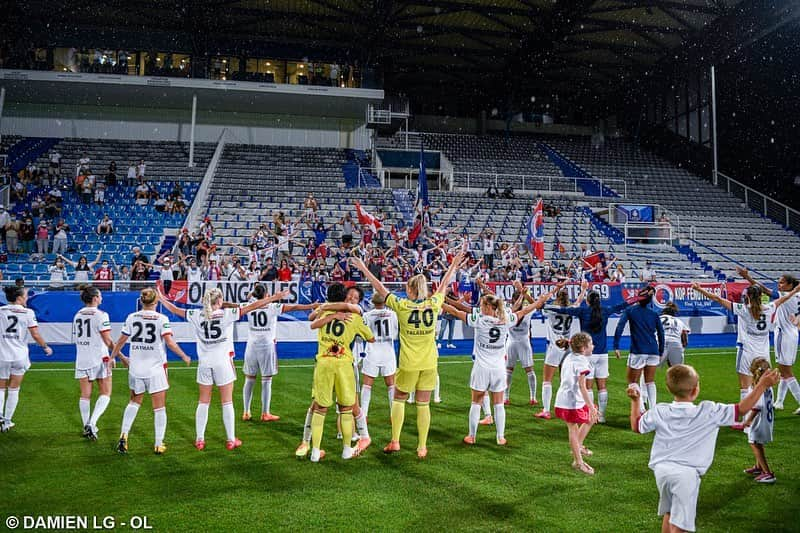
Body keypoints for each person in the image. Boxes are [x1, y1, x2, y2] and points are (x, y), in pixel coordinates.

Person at [627, 364, 780, 533]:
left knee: (670, 513)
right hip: (686, 475)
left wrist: (635, 401)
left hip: (662, 472)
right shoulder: (709, 411)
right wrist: (762, 385)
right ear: (695, 390)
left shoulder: (660, 410)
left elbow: (636, 426)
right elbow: (742, 409)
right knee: (681, 527)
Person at [350, 247, 465, 459]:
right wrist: (454, 264)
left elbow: (380, 288)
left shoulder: (402, 306)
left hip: (409, 363)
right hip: (429, 362)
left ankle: (395, 441)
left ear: (411, 291)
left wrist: (364, 268)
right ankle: (422, 446)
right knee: (423, 404)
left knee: (399, 399)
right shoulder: (434, 304)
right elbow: (443, 286)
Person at [157, 287, 285, 451]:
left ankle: (200, 439)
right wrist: (275, 297)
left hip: (204, 363)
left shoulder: (197, 315)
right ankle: (231, 439)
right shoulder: (227, 314)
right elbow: (254, 306)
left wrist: (161, 298)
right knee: (227, 402)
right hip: (222, 362)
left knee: (203, 402)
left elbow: (175, 309)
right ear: (219, 301)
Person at [110, 288, 191, 454]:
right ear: (156, 301)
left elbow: (121, 341)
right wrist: (184, 355)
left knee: (134, 402)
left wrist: (113, 357)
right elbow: (170, 343)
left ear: (141, 301)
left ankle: (124, 435)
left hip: (136, 368)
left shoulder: (132, 317)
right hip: (155, 368)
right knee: (159, 407)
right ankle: (158, 443)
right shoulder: (162, 319)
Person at [691, 282, 799, 403]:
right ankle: (767, 411)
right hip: (764, 352)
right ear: (760, 297)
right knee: (764, 383)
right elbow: (784, 298)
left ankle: (747, 415)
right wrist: (795, 291)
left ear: (747, 297)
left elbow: (717, 298)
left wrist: (700, 289)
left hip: (747, 351)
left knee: (745, 386)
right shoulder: (770, 308)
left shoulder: (743, 309)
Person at [306, 283, 375, 462]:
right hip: (344, 365)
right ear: (344, 297)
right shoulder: (354, 317)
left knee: (320, 408)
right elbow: (371, 338)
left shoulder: (324, 312)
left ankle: (315, 451)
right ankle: (346, 449)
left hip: (323, 364)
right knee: (346, 408)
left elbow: (312, 322)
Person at [544, 290, 630, 423]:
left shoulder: (583, 311)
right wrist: (640, 297)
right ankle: (601, 416)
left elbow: (563, 310)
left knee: (588, 387)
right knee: (602, 387)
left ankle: (591, 414)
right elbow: (623, 305)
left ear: (588, 301)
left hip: (587, 355)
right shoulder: (606, 310)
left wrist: (543, 305)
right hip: (602, 354)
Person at [241, 284, 316, 422]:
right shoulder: (272, 307)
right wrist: (311, 305)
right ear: (266, 295)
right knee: (266, 380)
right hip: (267, 345)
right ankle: (265, 413)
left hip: (251, 345)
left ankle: (246, 411)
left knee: (249, 379)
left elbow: (232, 305)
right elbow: (295, 307)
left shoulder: (248, 305)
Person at [737, 268, 800, 412]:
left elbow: (764, 290)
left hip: (783, 334)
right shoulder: (798, 295)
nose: (779, 285)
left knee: (786, 372)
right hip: (793, 333)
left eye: (782, 283)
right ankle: (779, 402)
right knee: (784, 370)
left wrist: (748, 277)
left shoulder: (787, 295)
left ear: (790, 285)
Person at [0, 286, 52, 432]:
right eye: (25, 295)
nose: (27, 298)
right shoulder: (28, 312)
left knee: (0, 388)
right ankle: (7, 422)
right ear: (19, 298)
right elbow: (35, 334)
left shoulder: (1, 311)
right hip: (19, 355)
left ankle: (0, 416)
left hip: (2, 355)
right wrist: (46, 347)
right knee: (14, 389)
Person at [504, 282, 564, 407]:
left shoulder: (508, 311)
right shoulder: (526, 311)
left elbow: (539, 303)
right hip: (522, 342)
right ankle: (531, 397)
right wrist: (554, 290)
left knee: (511, 370)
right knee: (525, 370)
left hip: (512, 342)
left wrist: (554, 290)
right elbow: (539, 303)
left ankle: (509, 397)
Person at [536, 281, 588, 420]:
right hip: (568, 347)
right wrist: (583, 289)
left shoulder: (552, 308)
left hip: (555, 346)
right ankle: (570, 406)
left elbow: (539, 303)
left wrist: (554, 289)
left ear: (557, 297)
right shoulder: (571, 308)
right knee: (567, 379)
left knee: (547, 380)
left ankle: (546, 410)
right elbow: (578, 301)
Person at [72, 286, 115, 440]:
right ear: (95, 298)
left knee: (85, 395)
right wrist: (118, 356)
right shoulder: (102, 315)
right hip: (98, 357)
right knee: (106, 392)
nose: (102, 298)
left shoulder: (78, 314)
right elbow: (108, 340)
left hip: (82, 357)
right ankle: (92, 422)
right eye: (100, 295)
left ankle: (86, 426)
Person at [554, 332, 599, 475]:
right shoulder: (581, 361)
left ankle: (578, 447)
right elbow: (582, 386)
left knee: (591, 418)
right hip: (570, 401)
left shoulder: (570, 356)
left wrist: (591, 407)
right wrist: (591, 406)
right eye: (591, 344)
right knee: (573, 429)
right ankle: (578, 462)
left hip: (570, 398)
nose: (593, 346)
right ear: (584, 348)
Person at [614, 287, 665, 411]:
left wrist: (616, 345)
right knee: (650, 381)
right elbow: (661, 333)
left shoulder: (630, 310)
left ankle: (641, 408)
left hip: (638, 350)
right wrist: (661, 351)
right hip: (653, 350)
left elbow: (620, 326)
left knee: (632, 380)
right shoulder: (654, 313)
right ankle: (653, 409)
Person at [360, 292, 399, 419]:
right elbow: (395, 333)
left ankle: (364, 414)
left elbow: (363, 334)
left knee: (367, 385)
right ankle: (394, 414)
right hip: (388, 352)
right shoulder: (393, 315)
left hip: (372, 352)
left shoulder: (367, 315)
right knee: (391, 384)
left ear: (372, 302)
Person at [742, 358, 776, 483]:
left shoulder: (756, 386)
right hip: (767, 420)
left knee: (755, 444)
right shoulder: (768, 386)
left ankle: (768, 473)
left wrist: (748, 420)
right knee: (758, 443)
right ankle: (758, 467)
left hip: (758, 421)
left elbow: (758, 406)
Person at [660, 302, 690, 367]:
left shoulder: (657, 319)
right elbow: (684, 335)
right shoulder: (679, 321)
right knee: (676, 370)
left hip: (660, 343)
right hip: (675, 342)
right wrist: (683, 347)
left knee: (649, 366)